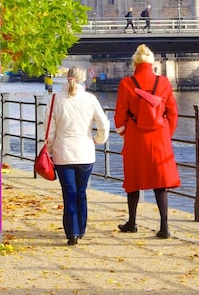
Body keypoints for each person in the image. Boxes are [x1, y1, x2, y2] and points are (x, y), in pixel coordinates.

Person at [114, 44, 180, 238]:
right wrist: (166, 133)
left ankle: (132, 222)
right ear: (152, 63)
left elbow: (119, 115)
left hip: (136, 135)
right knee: (160, 182)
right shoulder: (164, 83)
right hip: (160, 135)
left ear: (135, 62)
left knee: (133, 180)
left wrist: (125, 132)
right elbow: (173, 112)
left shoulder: (127, 83)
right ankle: (164, 226)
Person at [46, 66, 109, 246]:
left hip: (63, 152)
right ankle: (81, 229)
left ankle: (71, 231)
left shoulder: (55, 99)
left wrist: (50, 150)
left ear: (67, 78)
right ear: (82, 80)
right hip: (85, 152)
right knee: (81, 192)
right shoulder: (90, 99)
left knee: (69, 193)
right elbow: (103, 123)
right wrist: (98, 139)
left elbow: (49, 130)